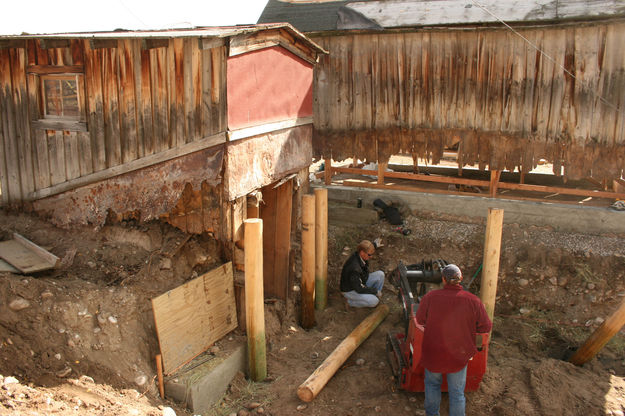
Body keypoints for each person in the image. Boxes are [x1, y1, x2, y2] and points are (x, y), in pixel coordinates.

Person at [415, 264, 492, 416]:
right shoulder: (473, 301)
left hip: (433, 353)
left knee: (431, 385)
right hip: (459, 354)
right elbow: (486, 327)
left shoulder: (430, 297)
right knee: (457, 393)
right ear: (460, 279)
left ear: (443, 280)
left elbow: (420, 320)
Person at [339, 239, 384, 307]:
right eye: (369, 255)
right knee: (374, 301)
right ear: (362, 253)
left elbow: (366, 247)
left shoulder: (359, 254)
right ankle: (349, 302)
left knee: (380, 275)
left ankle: (373, 295)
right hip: (350, 290)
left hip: (360, 281)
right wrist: (375, 291)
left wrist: (374, 244)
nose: (371, 257)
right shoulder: (354, 268)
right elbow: (359, 289)